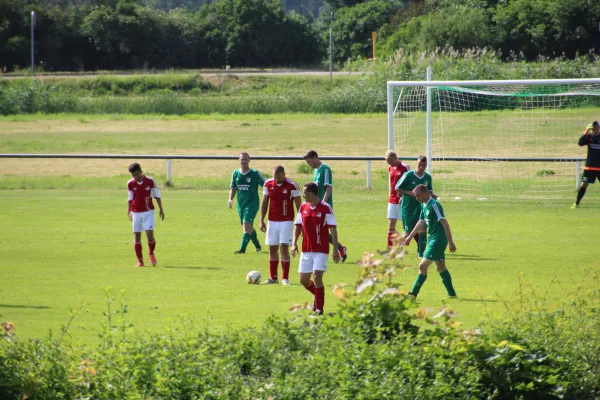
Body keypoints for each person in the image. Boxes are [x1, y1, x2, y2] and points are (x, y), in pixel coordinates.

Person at [291, 182, 340, 315]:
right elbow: (298, 226)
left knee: (317, 276)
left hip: (321, 250)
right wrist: (294, 243)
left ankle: (319, 309)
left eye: (305, 192)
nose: (303, 195)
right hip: (306, 250)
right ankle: (317, 295)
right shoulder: (303, 207)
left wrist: (336, 249)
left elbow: (333, 230)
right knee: (303, 279)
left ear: (312, 193)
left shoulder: (325, 208)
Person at [404, 184, 457, 299]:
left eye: (418, 196)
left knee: (422, 266)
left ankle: (413, 294)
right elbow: (421, 222)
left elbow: (444, 222)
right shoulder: (424, 205)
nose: (416, 199)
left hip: (438, 239)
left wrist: (451, 242)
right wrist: (409, 237)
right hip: (432, 238)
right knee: (441, 267)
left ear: (425, 193)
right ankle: (452, 294)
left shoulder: (435, 205)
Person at [259, 165, 302, 285]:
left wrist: (301, 223)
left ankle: (285, 278)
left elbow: (299, 206)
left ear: (284, 174)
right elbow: (264, 202)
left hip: (287, 221)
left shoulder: (292, 185)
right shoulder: (268, 184)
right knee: (272, 248)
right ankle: (273, 278)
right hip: (272, 221)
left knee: (283, 247)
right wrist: (261, 219)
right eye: (275, 177)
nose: (277, 179)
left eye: (279, 177)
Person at [303, 150, 347, 262]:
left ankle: (339, 249)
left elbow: (329, 187)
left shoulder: (325, 169)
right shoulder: (316, 171)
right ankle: (339, 248)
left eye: (309, 162)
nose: (309, 164)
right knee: (322, 231)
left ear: (315, 158)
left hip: (324, 206)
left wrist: (323, 203)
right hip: (317, 205)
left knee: (324, 230)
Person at [395, 156, 437, 258]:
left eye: (423, 165)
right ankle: (396, 250)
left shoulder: (427, 177)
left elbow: (429, 190)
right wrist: (409, 192)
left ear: (426, 166)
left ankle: (421, 253)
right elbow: (397, 187)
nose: (421, 167)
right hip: (408, 208)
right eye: (419, 165)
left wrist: (433, 195)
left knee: (422, 228)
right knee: (408, 231)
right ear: (416, 164)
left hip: (421, 207)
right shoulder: (408, 175)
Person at [127, 163, 164, 267]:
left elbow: (157, 196)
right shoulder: (130, 184)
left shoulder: (150, 181)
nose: (135, 177)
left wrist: (161, 209)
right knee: (137, 237)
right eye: (133, 175)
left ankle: (151, 253)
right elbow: (130, 198)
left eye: (137, 174)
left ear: (141, 172)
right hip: (136, 213)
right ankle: (140, 261)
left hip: (148, 212)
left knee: (150, 236)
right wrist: (128, 211)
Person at [229, 152, 266, 253]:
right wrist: (230, 199)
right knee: (248, 227)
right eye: (242, 159)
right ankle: (258, 246)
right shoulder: (235, 173)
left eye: (246, 159)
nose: (244, 161)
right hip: (241, 204)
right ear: (239, 160)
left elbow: (267, 185)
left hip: (252, 204)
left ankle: (242, 249)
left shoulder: (255, 174)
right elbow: (233, 188)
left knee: (246, 225)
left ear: (249, 160)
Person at [572, 121, 600, 208]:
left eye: (597, 129)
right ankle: (576, 203)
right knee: (584, 184)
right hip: (590, 167)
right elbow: (580, 143)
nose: (595, 131)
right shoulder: (589, 137)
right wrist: (586, 131)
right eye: (593, 129)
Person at [385, 150, 410, 247]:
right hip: (392, 199)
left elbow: (409, 181)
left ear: (395, 158)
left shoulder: (404, 167)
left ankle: (419, 245)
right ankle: (390, 247)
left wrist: (405, 196)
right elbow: (391, 183)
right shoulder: (390, 168)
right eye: (388, 161)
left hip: (403, 199)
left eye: (390, 161)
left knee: (407, 224)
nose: (389, 163)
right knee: (391, 222)